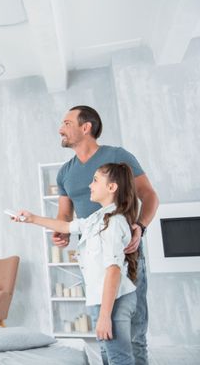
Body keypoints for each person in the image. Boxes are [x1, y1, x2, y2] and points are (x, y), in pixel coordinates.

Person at [54, 105, 159, 365]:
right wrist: (60, 231)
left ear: (86, 127)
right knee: (105, 333)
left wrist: (140, 226)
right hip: (92, 262)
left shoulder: (117, 157)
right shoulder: (64, 172)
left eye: (67, 123)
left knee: (133, 333)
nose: (60, 129)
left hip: (125, 255)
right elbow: (65, 215)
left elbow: (149, 195)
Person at [13, 163, 140, 365]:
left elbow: (113, 271)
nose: (90, 185)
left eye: (95, 180)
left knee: (118, 358)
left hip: (113, 301)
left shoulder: (114, 223)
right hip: (102, 299)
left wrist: (105, 316)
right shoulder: (97, 219)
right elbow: (65, 225)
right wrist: (32, 218)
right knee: (108, 355)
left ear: (112, 187)